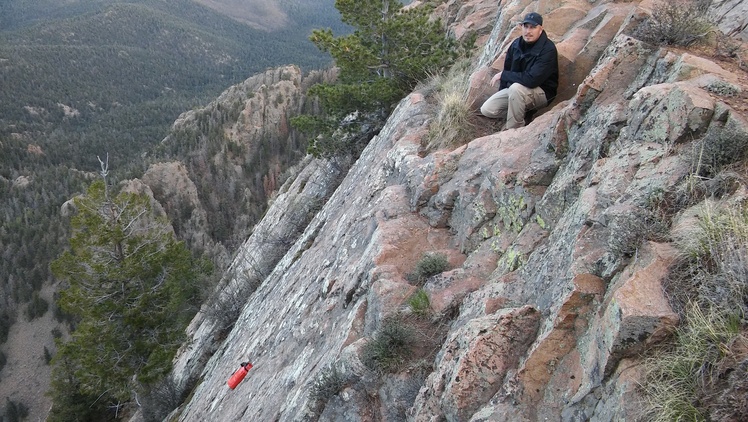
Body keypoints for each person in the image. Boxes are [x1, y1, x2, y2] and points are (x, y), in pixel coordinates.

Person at [480, 12, 559, 130]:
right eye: (526, 27)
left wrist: (504, 75)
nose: (528, 31)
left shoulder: (548, 49)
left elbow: (532, 80)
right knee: (487, 109)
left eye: (533, 27)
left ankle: (514, 129)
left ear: (540, 29)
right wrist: (503, 88)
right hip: (517, 90)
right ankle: (521, 113)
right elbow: (508, 69)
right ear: (521, 27)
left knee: (516, 89)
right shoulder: (516, 44)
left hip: (542, 92)